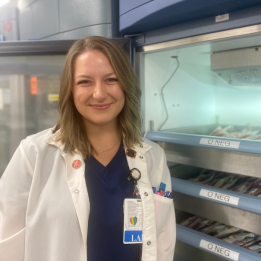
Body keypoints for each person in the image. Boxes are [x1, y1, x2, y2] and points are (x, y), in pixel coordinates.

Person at [0, 36, 176, 261]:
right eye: (85, 82)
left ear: (126, 85)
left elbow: (162, 238)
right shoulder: (33, 154)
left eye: (111, 79)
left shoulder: (153, 157)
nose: (99, 93)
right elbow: (5, 241)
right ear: (70, 90)